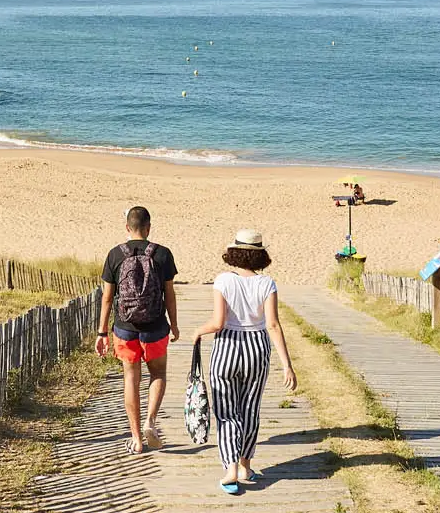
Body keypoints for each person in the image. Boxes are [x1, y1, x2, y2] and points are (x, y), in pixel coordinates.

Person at [191, 229, 295, 495]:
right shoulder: (267, 283)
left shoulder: (224, 280)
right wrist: (287, 364)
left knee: (227, 413)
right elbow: (272, 324)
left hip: (227, 347)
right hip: (256, 349)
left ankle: (231, 468)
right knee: (250, 409)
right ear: (260, 255)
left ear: (235, 253)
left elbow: (218, 323)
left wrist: (197, 331)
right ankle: (246, 465)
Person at [96, 205, 179, 454]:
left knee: (131, 379)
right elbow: (169, 294)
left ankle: (136, 439)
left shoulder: (115, 255)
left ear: (127, 228)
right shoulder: (162, 254)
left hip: (125, 328)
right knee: (158, 373)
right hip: (155, 327)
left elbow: (108, 298)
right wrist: (174, 324)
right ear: (149, 227)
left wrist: (101, 333)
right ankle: (150, 421)